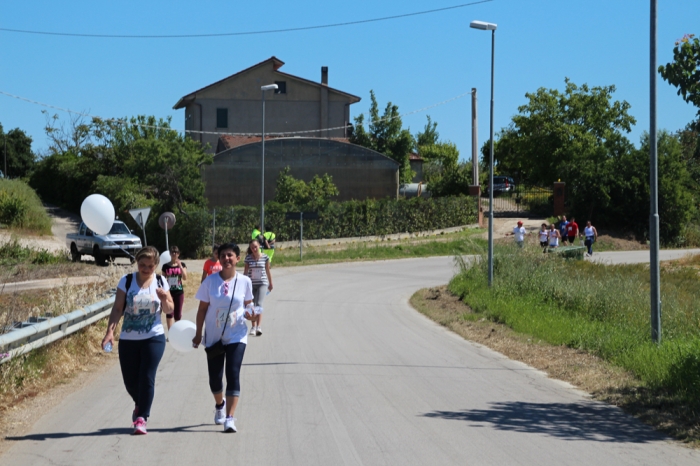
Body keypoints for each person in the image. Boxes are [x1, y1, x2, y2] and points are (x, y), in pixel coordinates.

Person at [101, 246, 174, 435]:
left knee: (147, 377)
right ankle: (139, 403)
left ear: (156, 265)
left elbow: (169, 310)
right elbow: (117, 309)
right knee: (131, 382)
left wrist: (165, 298)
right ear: (137, 263)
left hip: (154, 337)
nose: (146, 268)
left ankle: (142, 418)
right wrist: (110, 332)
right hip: (128, 339)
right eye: (142, 264)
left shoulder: (160, 281)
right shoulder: (126, 281)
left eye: (150, 265)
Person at [192, 243, 254, 433]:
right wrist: (198, 334)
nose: (227, 258)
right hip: (214, 337)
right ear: (219, 259)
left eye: (230, 255)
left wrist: (251, 313)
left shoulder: (245, 281)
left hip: (237, 335)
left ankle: (230, 417)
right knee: (215, 380)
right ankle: (220, 404)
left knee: (233, 374)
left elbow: (249, 304)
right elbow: (202, 309)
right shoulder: (209, 282)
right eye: (223, 256)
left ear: (237, 258)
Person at [244, 239, 273, 336]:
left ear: (259, 246)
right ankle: (253, 326)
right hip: (251, 284)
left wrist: (271, 283)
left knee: (259, 303)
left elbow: (268, 270)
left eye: (255, 247)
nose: (254, 249)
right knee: (251, 305)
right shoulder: (248, 258)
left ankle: (258, 327)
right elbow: (245, 272)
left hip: (262, 283)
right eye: (252, 248)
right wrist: (242, 284)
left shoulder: (265, 257)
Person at [161, 245, 187, 331]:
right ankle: (170, 332)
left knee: (178, 314)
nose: (174, 253)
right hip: (169, 292)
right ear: (170, 254)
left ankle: (177, 332)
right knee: (169, 313)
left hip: (179, 292)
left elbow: (185, 277)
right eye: (172, 252)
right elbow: (163, 279)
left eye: (176, 252)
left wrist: (180, 266)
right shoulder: (165, 266)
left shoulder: (182, 264)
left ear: (178, 254)